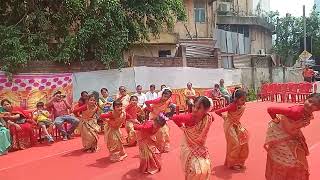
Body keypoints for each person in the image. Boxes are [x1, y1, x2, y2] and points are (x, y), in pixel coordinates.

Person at [264, 93, 320, 180]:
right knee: (286, 160)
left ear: (318, 109)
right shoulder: (295, 111)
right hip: (280, 134)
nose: (310, 105)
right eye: (310, 101)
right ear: (306, 99)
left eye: (315, 105)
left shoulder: (307, 113)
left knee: (298, 159)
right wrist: (276, 120)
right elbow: (270, 109)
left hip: (292, 133)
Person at [169, 96, 214, 179]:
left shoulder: (208, 117)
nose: (195, 109)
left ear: (206, 110)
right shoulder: (189, 117)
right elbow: (174, 118)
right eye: (194, 106)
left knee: (206, 167)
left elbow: (212, 119)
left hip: (200, 146)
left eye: (199, 108)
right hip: (188, 145)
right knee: (196, 170)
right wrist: (182, 128)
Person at [215, 89, 249, 171]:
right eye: (242, 100)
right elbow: (217, 111)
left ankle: (239, 162)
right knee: (235, 144)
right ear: (236, 99)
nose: (244, 101)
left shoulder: (241, 105)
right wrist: (225, 118)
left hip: (236, 125)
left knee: (243, 142)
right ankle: (232, 163)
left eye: (245, 99)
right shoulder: (232, 106)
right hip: (229, 125)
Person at [145, 88, 175, 153]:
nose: (166, 98)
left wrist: (170, 108)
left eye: (168, 97)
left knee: (166, 131)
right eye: (165, 96)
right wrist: (151, 109)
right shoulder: (157, 100)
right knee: (160, 132)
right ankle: (159, 147)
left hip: (161, 116)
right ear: (162, 95)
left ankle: (166, 146)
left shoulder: (168, 99)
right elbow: (146, 102)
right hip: (154, 116)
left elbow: (170, 104)